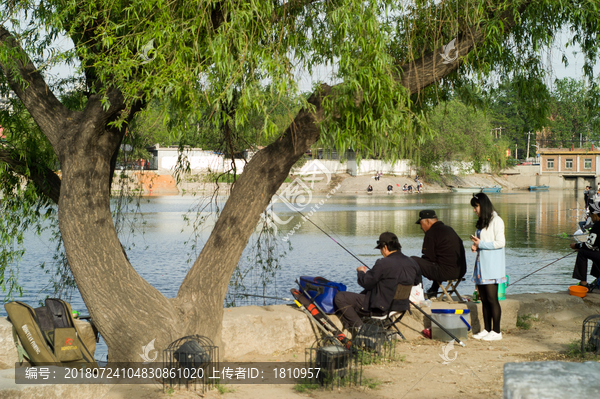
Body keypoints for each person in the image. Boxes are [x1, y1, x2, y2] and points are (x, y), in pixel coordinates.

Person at [334, 232, 422, 330]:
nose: (381, 251)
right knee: (366, 292)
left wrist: (361, 272)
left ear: (385, 247)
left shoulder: (383, 263)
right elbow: (416, 281)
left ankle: (361, 329)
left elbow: (366, 282)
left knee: (340, 297)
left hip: (382, 308)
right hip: (401, 306)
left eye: (380, 248)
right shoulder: (412, 262)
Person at [470, 193, 506, 341]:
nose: (474, 210)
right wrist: (476, 246)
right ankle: (487, 329)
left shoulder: (497, 221)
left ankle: (497, 331)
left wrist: (481, 244)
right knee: (484, 299)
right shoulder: (483, 222)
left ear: (483, 206)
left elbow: (500, 243)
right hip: (481, 265)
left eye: (476, 206)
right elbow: (484, 242)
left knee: (492, 299)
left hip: (492, 267)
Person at [411, 210, 466, 299]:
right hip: (461, 272)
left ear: (428, 221)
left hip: (447, 273)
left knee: (412, 260)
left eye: (421, 224)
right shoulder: (449, 229)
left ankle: (418, 292)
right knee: (440, 262)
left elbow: (429, 258)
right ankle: (433, 290)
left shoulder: (431, 233)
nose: (421, 227)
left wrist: (424, 269)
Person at [570, 202, 600, 292]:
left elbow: (590, 245)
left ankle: (583, 283)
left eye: (590, 214)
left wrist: (577, 246)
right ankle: (598, 279)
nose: (590, 217)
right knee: (594, 252)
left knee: (582, 253)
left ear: (595, 214)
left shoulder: (597, 226)